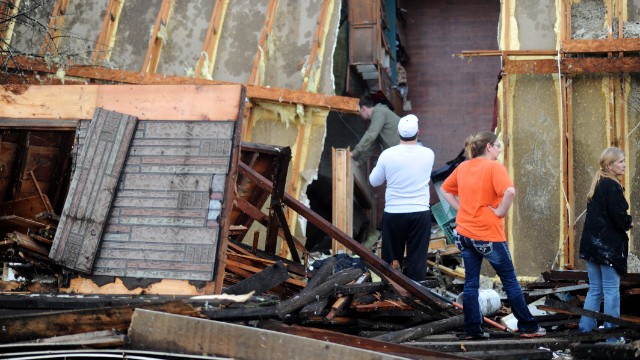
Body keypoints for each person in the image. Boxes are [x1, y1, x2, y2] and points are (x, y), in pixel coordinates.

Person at [441, 131, 545, 340]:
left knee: (471, 283)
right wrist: (500, 212)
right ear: (488, 147)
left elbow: (445, 189)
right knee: (510, 281)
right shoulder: (494, 167)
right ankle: (528, 327)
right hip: (488, 234)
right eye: (497, 146)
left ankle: (472, 330)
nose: (499, 150)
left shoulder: (462, 167)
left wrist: (461, 209)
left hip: (464, 234)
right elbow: (510, 192)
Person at [369, 114, 434, 281]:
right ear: (418, 132)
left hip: (394, 213)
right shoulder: (428, 154)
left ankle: (390, 292)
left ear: (398, 132)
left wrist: (379, 164)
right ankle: (417, 295)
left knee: (390, 259)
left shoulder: (387, 155)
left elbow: (374, 181)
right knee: (417, 259)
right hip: (420, 212)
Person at [578, 147, 632, 343]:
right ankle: (612, 336)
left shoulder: (599, 184)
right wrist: (629, 222)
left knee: (595, 289)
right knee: (611, 290)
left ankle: (585, 330)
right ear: (610, 166)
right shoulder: (612, 186)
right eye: (621, 161)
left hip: (592, 247)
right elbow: (619, 218)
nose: (625, 164)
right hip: (607, 248)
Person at [351, 95, 401, 163]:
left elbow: (370, 136)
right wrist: (359, 162)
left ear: (363, 108)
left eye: (359, 112)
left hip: (406, 150)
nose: (359, 114)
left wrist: (354, 152)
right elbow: (372, 146)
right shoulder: (377, 120)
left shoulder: (379, 112)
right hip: (399, 152)